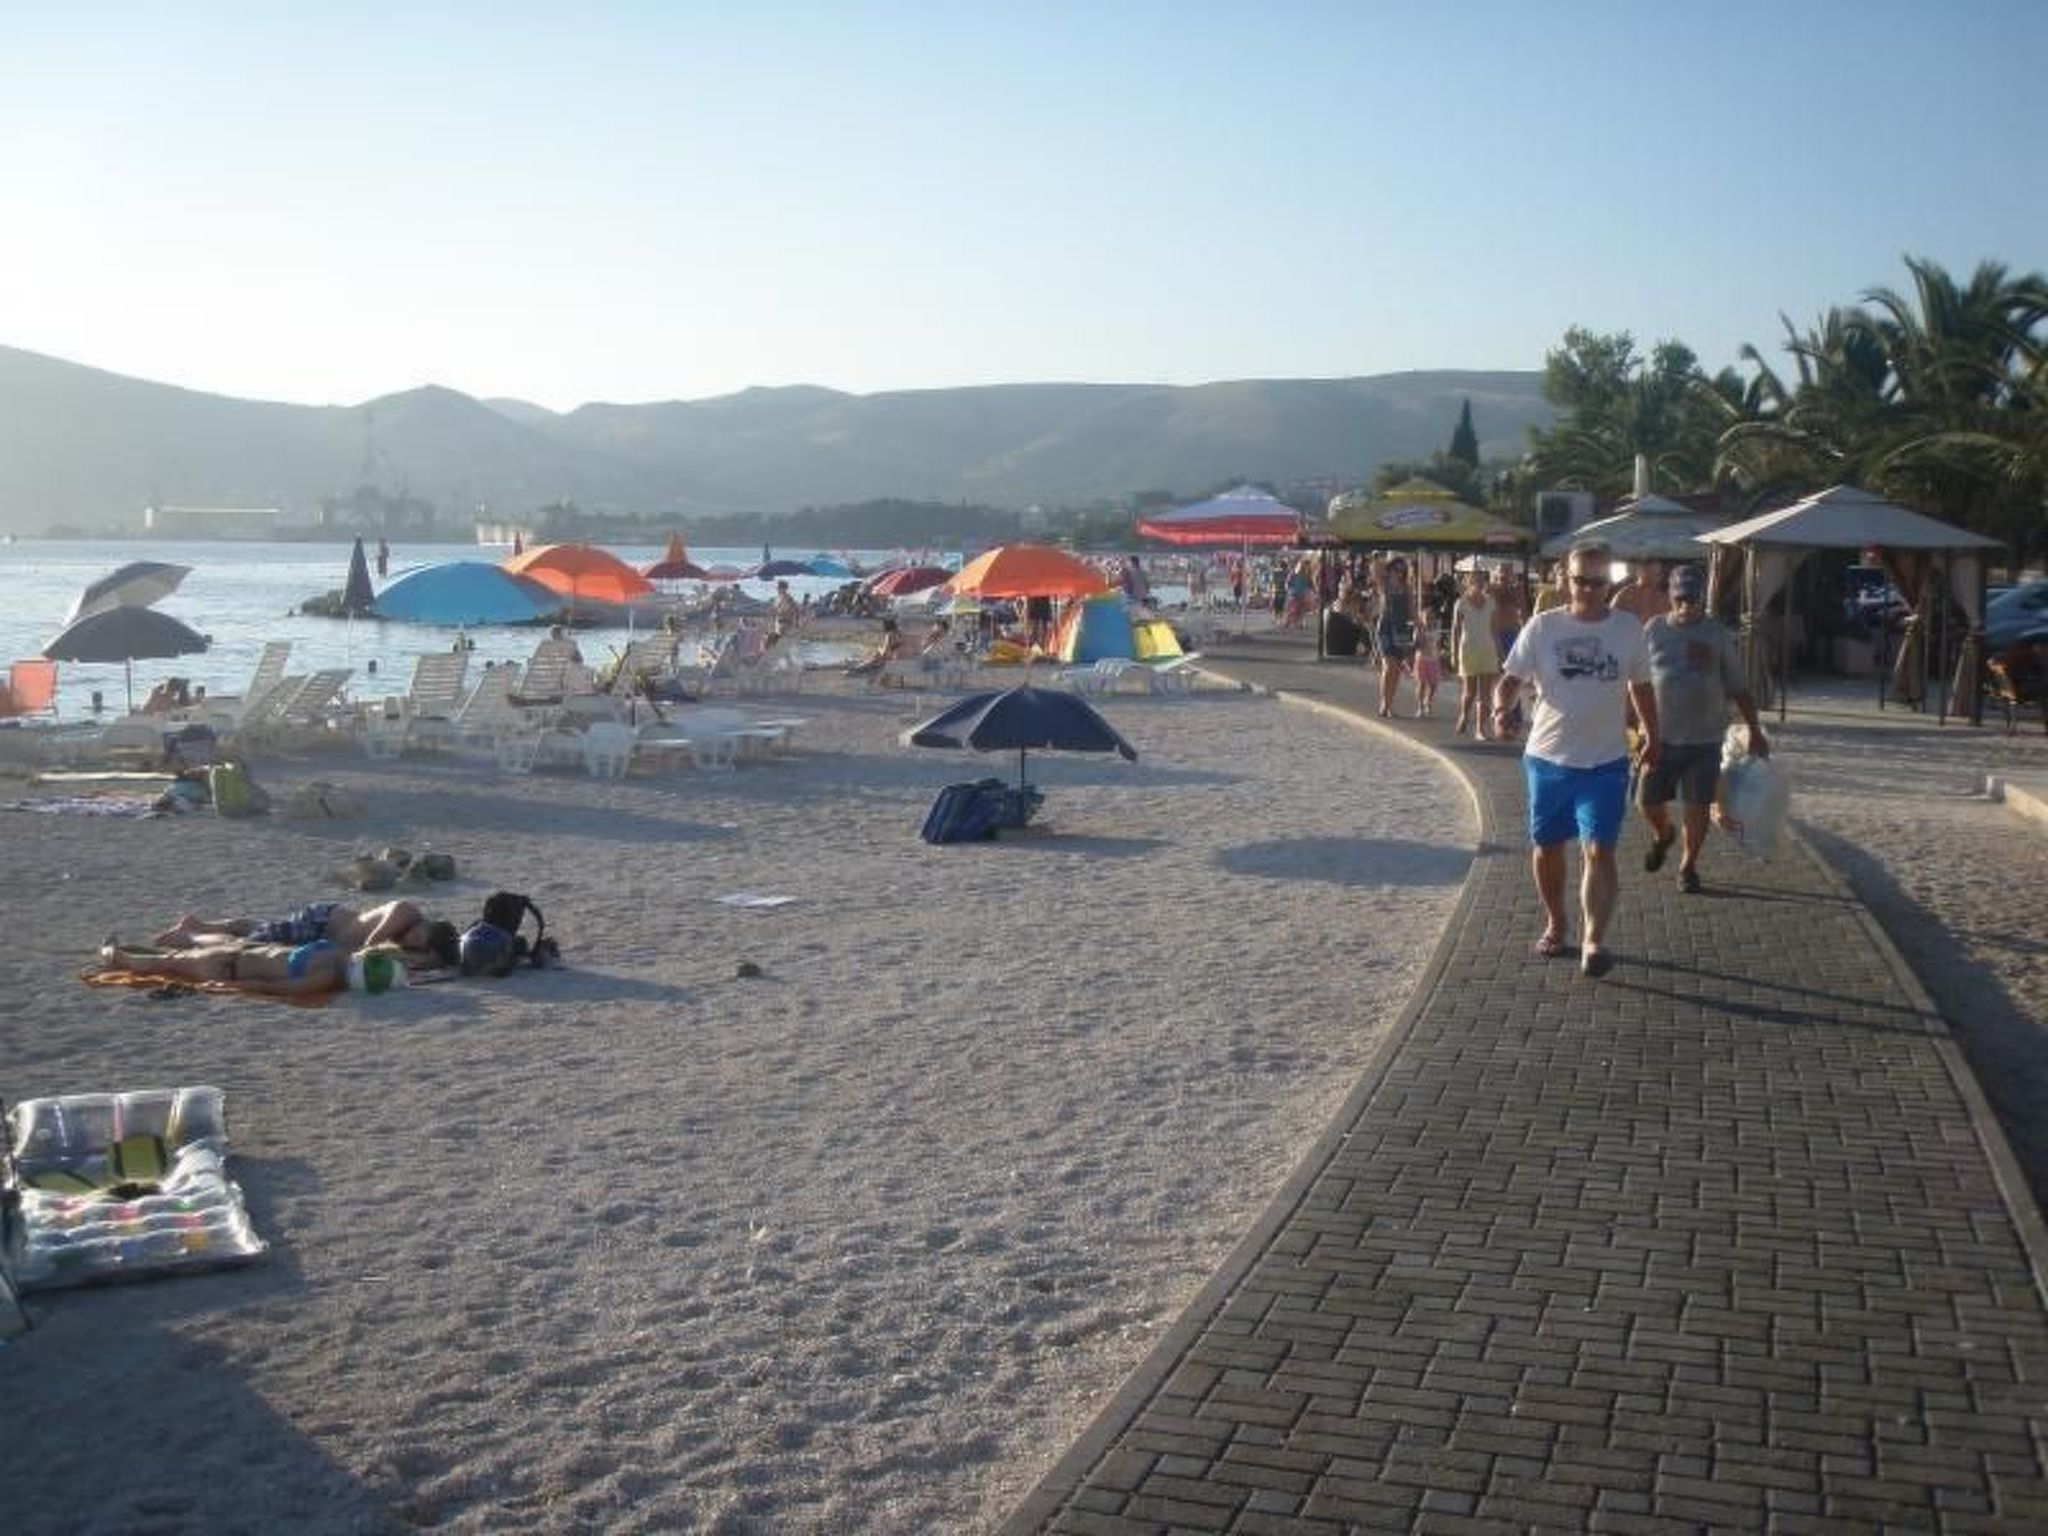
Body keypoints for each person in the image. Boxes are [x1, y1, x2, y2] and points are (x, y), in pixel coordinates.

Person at [1493, 541, 1660, 979]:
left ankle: (1593, 939)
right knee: (1548, 848)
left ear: (1610, 583)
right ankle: (1557, 921)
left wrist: (1652, 734)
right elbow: (1510, 678)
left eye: (1597, 582)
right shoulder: (1543, 627)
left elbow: (1641, 687)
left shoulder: (1628, 629)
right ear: (1564, 578)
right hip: (1547, 758)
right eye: (1579, 580)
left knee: (1599, 849)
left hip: (1606, 761)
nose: (1587, 589)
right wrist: (1499, 708)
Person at [1637, 563, 1767, 894]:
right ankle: (1663, 834)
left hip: (1705, 740)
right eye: (1680, 598)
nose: (1686, 605)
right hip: (1660, 737)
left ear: (1702, 598)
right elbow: (1635, 682)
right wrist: (1632, 722)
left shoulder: (1717, 633)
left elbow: (1738, 686)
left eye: (1692, 598)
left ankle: (1687, 865)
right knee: (1646, 801)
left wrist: (1754, 729)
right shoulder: (1652, 630)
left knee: (1696, 806)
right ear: (1670, 595)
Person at [151, 900, 459, 967]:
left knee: (261, 929)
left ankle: (201, 925)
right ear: (426, 925)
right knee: (252, 943)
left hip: (324, 938)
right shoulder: (406, 911)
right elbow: (370, 945)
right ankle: (188, 937)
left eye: (420, 946)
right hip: (321, 923)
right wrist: (409, 956)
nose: (413, 943)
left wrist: (423, 958)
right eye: (420, 939)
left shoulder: (418, 939)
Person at [96, 936, 364, 997]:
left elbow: (272, 987)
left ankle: (110, 953)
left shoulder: (327, 972)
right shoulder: (339, 957)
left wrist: (231, 986)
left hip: (227, 968)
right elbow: (275, 984)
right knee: (172, 958)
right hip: (235, 954)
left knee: (164, 962)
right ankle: (118, 950)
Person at [1451, 569, 1500, 738]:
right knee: (1470, 692)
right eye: (1475, 581)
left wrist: (1499, 652)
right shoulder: (1461, 603)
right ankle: (1464, 715)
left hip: (1487, 649)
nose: (1479, 584)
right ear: (1469, 583)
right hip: (1468, 649)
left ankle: (1481, 728)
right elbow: (1455, 629)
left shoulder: (1491, 602)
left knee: (1485, 694)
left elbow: (1494, 628)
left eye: (1482, 581)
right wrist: (1453, 653)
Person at [1373, 558, 1416, 717]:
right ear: (1390, 569)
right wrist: (1381, 554)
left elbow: (1411, 610)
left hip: (1402, 629)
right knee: (1388, 666)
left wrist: (1420, 624)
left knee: (1396, 670)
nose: (1398, 573)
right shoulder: (1384, 585)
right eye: (1395, 569)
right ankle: (1384, 703)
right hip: (1386, 627)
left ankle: (1390, 704)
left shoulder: (1407, 588)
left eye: (1401, 570)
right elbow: (1376, 568)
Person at [1409, 622, 1442, 718]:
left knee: (1433, 685)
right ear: (1423, 619)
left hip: (1434, 660)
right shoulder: (1419, 630)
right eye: (1427, 618)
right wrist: (1419, 632)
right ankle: (1420, 707)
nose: (1429, 620)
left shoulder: (1436, 630)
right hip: (1422, 659)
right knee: (1421, 684)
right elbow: (1416, 644)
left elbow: (1438, 644)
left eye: (1431, 618)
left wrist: (1440, 656)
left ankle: (1428, 701)